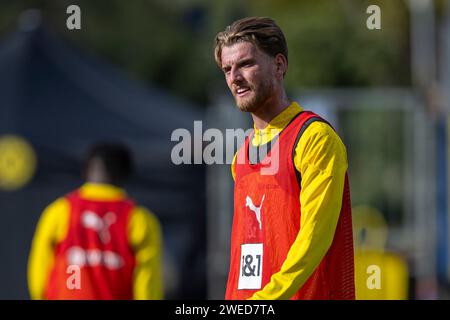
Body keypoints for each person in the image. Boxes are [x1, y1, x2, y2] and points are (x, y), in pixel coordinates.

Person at [214, 17, 355, 300]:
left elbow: (315, 238)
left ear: (279, 65)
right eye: (227, 69)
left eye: (245, 64)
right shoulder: (241, 155)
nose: (234, 78)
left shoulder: (314, 138)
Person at [28, 143, 163, 300]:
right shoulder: (139, 219)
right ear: (126, 174)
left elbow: (39, 270)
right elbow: (147, 280)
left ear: (86, 170)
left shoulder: (60, 211)